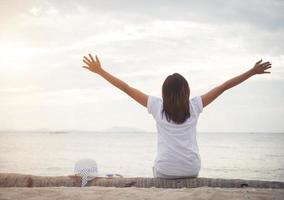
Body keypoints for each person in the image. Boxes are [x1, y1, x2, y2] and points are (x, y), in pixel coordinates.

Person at [82, 54, 272, 179]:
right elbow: (223, 87)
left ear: (164, 92)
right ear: (187, 91)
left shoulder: (157, 106)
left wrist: (100, 71)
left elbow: (126, 89)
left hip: (165, 170)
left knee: (157, 167)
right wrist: (252, 72)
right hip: (191, 169)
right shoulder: (195, 105)